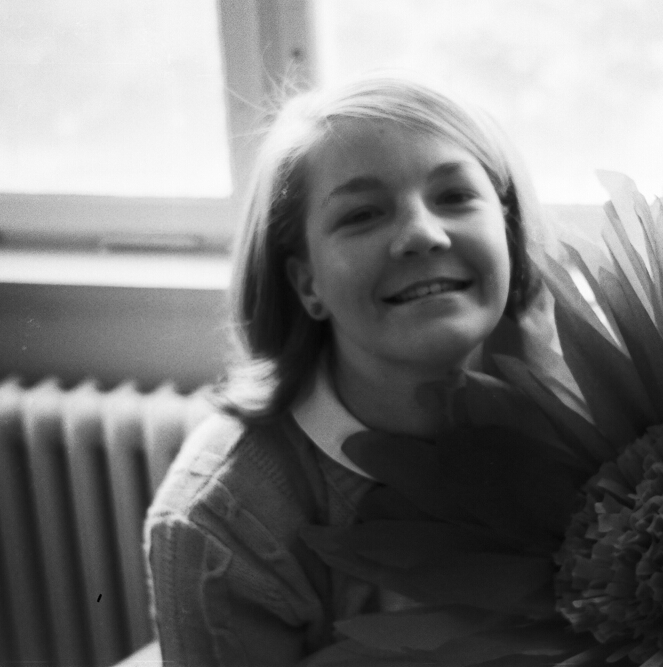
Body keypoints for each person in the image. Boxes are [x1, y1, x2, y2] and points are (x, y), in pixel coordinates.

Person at [143, 78, 552, 665]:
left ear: (507, 230)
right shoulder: (217, 526)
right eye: (362, 215)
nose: (423, 234)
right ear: (307, 283)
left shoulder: (597, 406)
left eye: (455, 195)